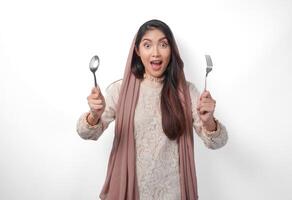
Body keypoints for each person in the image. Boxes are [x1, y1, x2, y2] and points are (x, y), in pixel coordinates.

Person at [76, 19, 228, 200]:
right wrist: (94, 115)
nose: (155, 53)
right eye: (147, 45)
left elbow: (217, 143)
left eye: (163, 44)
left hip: (174, 194)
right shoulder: (120, 91)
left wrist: (209, 121)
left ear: (171, 50)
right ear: (137, 51)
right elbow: (86, 134)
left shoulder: (188, 92)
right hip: (130, 192)